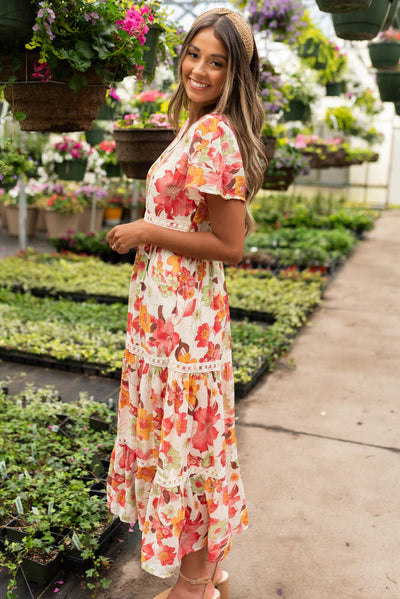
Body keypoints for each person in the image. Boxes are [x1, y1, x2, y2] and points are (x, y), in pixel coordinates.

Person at [106, 7, 265, 599]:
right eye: (193, 54)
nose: (198, 69)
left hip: (184, 320)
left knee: (188, 442)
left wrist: (146, 230)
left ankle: (195, 585)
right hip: (167, 311)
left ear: (235, 74)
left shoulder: (214, 134)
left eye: (216, 62)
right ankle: (210, 570)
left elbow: (229, 244)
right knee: (189, 439)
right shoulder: (195, 127)